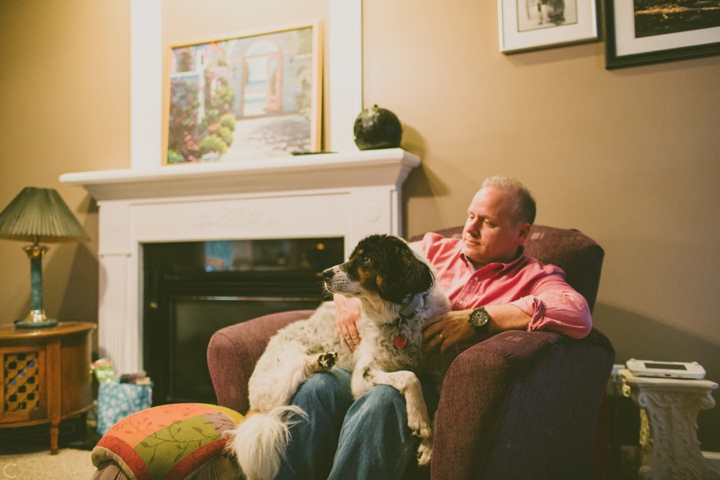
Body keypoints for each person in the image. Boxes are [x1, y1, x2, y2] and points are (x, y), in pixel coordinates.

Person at [275, 175, 592, 480]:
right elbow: (365, 263)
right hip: (379, 361)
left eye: (488, 223)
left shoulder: (533, 277)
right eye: (471, 216)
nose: (471, 228)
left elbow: (576, 312)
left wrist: (479, 318)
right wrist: (343, 297)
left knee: (382, 401)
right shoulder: (434, 249)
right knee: (317, 388)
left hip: (433, 380)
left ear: (521, 233)